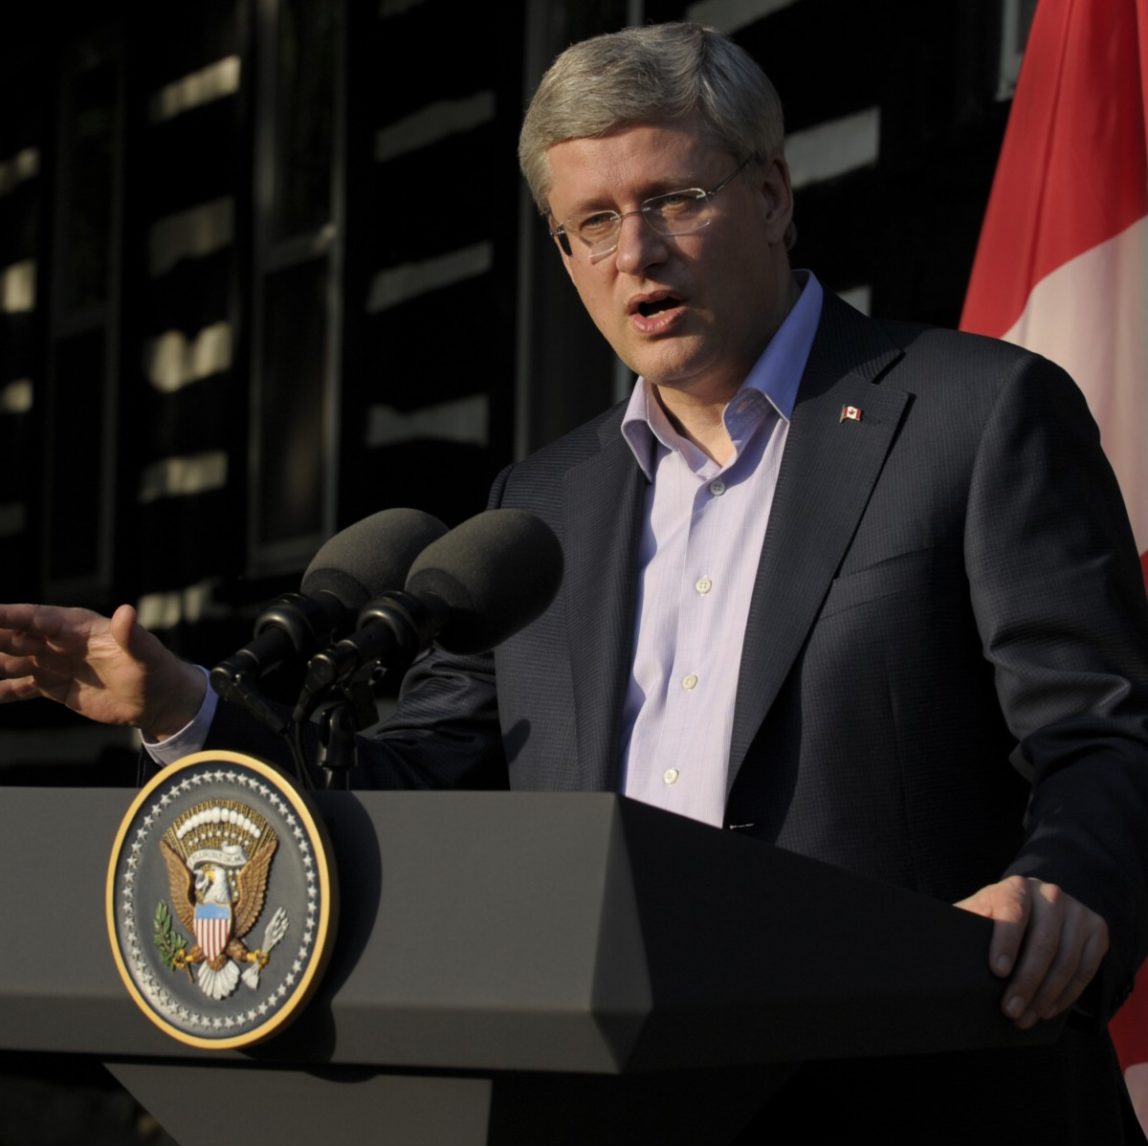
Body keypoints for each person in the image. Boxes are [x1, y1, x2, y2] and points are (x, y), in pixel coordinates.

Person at [2, 22, 1147, 1142]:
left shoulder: (975, 414)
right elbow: (402, 791)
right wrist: (182, 711)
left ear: (772, 195)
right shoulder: (538, 508)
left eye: (674, 201)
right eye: (589, 222)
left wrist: (1060, 885)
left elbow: (1103, 734)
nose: (632, 253)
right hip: (614, 1104)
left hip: (923, 1094)